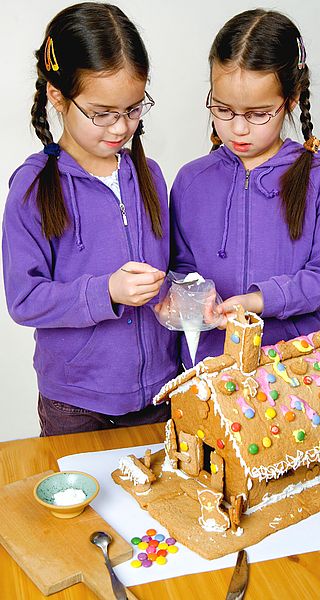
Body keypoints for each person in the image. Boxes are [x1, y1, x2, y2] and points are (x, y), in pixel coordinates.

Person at [2, 2, 179, 435]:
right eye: (102, 113)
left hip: (160, 391)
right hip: (76, 404)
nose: (120, 128)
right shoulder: (32, 188)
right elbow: (24, 300)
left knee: (162, 502)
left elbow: (164, 269)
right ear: (57, 96)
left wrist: (176, 294)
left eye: (134, 110)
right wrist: (108, 291)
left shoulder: (148, 175)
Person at [169, 9, 320, 369]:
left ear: (292, 99)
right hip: (209, 369)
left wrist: (258, 300)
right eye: (223, 109)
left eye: (257, 114)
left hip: (294, 369)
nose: (238, 129)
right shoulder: (191, 180)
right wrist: (190, 296)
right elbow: (180, 266)